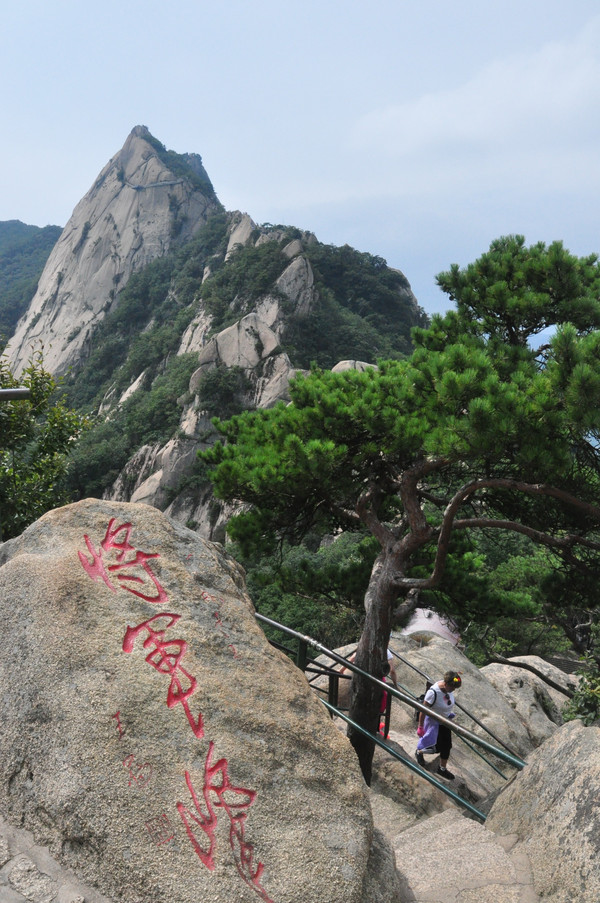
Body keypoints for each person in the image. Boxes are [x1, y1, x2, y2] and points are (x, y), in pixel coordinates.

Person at [415, 670, 462, 780]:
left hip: (444, 721)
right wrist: (420, 726)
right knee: (436, 746)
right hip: (434, 723)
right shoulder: (433, 692)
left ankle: (442, 769)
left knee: (447, 746)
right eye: (452, 687)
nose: (453, 690)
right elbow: (423, 710)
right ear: (446, 684)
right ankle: (419, 752)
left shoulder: (448, 688)